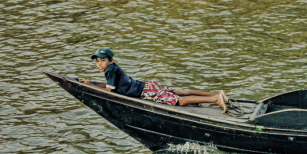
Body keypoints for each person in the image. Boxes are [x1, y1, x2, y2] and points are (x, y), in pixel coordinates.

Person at [79, 47, 229, 114]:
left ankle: (215, 98)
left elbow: (109, 91)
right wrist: (91, 83)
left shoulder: (110, 70)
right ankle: (217, 93)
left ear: (111, 60)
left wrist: (91, 87)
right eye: (97, 61)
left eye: (103, 60)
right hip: (147, 85)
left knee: (180, 100)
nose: (99, 64)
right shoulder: (113, 68)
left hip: (146, 92)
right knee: (183, 92)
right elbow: (110, 86)